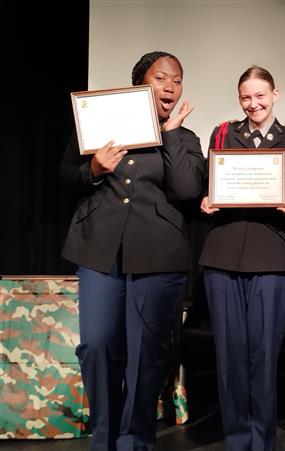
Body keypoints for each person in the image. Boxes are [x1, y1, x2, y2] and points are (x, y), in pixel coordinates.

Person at [60, 51, 205, 451]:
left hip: (158, 254)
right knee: (96, 344)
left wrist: (173, 133)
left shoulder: (186, 138)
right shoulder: (97, 124)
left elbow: (188, 190)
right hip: (99, 249)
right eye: (162, 78)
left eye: (177, 80)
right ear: (140, 83)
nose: (171, 86)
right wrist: (93, 170)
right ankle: (103, 436)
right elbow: (65, 176)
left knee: (147, 353)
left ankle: (135, 441)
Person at [198, 66, 285, 451]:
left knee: (264, 355)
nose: (253, 104)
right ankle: (237, 441)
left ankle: (263, 442)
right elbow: (211, 179)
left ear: (275, 94)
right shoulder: (223, 132)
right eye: (246, 97)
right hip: (223, 252)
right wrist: (206, 197)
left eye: (260, 96)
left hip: (271, 254)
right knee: (229, 354)